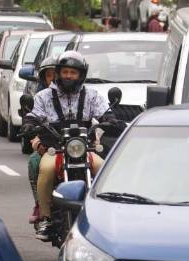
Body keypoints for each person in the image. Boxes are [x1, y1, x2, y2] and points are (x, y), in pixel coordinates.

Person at [23, 51, 125, 241]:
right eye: (65, 72)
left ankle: (107, 214)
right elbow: (33, 115)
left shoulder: (92, 95)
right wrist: (29, 123)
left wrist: (110, 120)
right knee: (45, 168)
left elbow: (105, 114)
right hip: (56, 149)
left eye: (73, 72)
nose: (68, 76)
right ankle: (45, 217)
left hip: (85, 149)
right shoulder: (43, 96)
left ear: (81, 75)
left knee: (103, 168)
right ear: (59, 73)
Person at [27, 56, 58, 224]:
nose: (53, 79)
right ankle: (40, 204)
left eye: (56, 74)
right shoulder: (42, 97)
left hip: (78, 147)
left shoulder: (82, 94)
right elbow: (32, 122)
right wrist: (38, 143)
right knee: (34, 161)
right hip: (51, 148)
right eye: (49, 75)